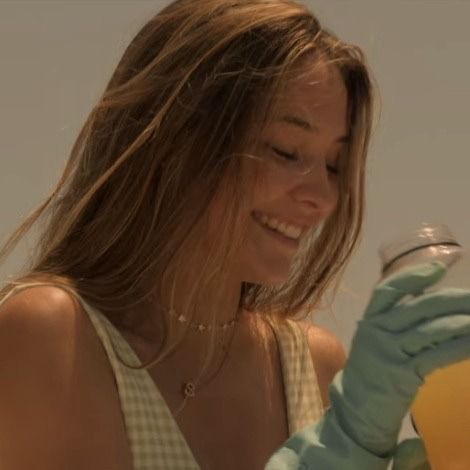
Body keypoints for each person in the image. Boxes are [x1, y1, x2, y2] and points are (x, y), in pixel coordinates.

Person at [1, 1, 470, 469]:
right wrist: (343, 444)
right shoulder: (50, 339)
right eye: (286, 151)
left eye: (334, 164)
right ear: (177, 140)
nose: (323, 196)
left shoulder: (313, 364)